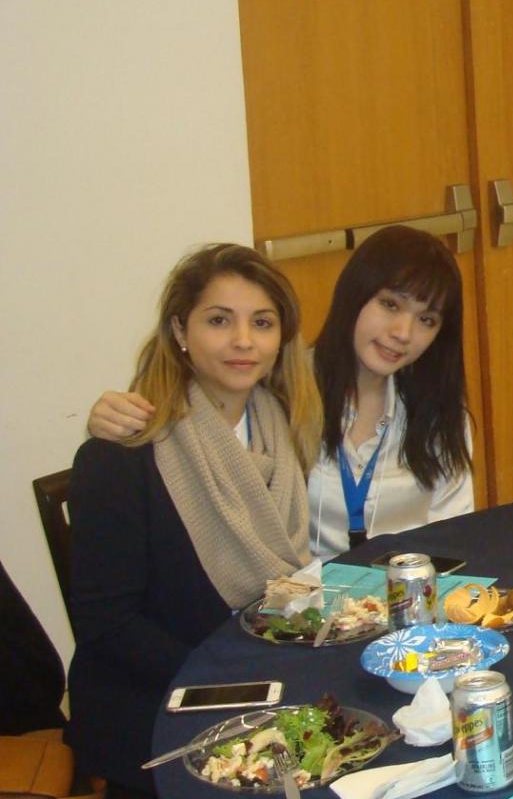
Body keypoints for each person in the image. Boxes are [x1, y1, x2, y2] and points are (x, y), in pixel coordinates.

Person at [67, 244, 318, 793]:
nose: (243, 341)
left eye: (262, 323)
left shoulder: (281, 430)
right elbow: (106, 626)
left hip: (256, 677)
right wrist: (232, 675)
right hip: (156, 707)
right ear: (180, 330)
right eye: (218, 321)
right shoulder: (121, 455)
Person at [87, 226, 475, 559]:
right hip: (303, 611)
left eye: (426, 319)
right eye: (390, 304)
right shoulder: (276, 392)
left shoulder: (439, 413)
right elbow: (201, 459)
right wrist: (110, 417)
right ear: (354, 295)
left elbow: (455, 539)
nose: (403, 333)